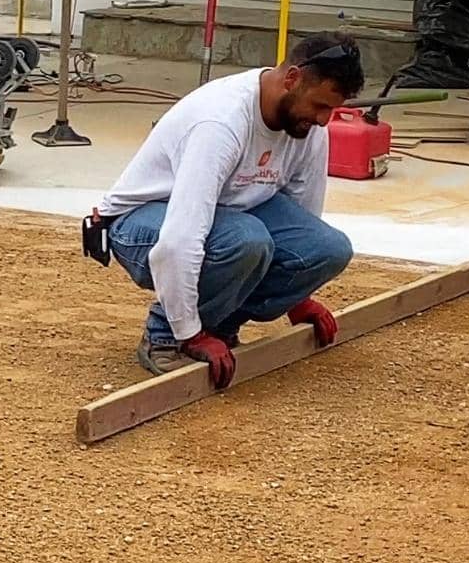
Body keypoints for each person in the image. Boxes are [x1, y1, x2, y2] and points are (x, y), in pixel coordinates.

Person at [95, 33, 366, 389]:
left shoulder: (308, 127)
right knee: (246, 241)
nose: (324, 120)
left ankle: (221, 327)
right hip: (143, 220)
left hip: (230, 213)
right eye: (319, 106)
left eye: (332, 109)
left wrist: (298, 298)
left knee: (327, 249)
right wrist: (188, 332)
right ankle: (164, 336)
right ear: (292, 80)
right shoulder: (220, 123)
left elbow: (305, 219)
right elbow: (179, 240)